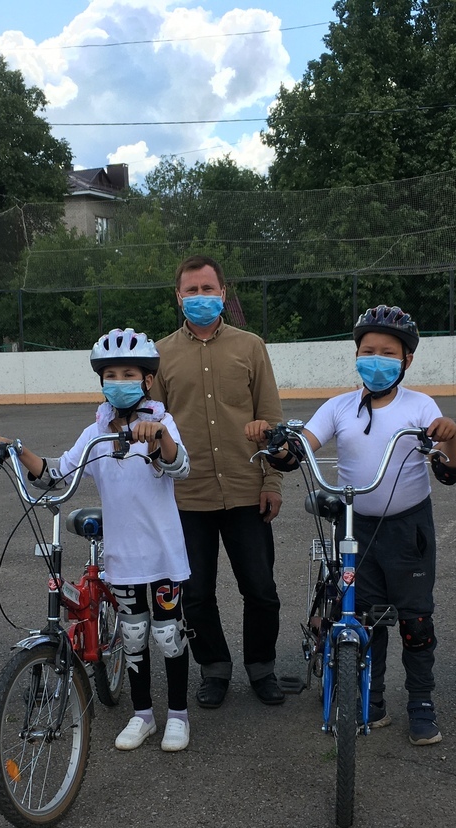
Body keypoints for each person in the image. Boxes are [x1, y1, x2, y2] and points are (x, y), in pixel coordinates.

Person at [251, 305, 456, 745]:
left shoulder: (419, 406)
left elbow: (449, 471)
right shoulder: (339, 407)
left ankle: (421, 703)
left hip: (408, 530)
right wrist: (274, 441)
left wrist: (451, 437)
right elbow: (298, 451)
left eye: (388, 352)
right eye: (368, 351)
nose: (376, 359)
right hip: (356, 528)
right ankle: (374, 698)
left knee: (416, 621)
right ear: (356, 355)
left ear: (406, 360)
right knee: (366, 619)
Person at [0, 329, 193, 751]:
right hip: (122, 555)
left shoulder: (162, 423)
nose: (119, 382)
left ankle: (178, 714)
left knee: (168, 634)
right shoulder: (95, 433)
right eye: (111, 375)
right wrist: (19, 451)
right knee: (134, 635)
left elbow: (180, 466)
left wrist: (159, 436)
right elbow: (58, 473)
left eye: (129, 374)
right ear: (101, 382)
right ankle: (143, 715)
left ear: (147, 380)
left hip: (162, 553)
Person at [150, 254, 286, 709]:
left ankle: (262, 667)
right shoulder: (160, 355)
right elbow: (154, 426)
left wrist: (272, 482)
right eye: (192, 290)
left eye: (208, 289)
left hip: (248, 490)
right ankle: (214, 668)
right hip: (187, 496)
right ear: (178, 297)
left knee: (261, 590)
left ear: (223, 294)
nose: (200, 297)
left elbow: (271, 420)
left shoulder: (251, 347)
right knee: (195, 594)